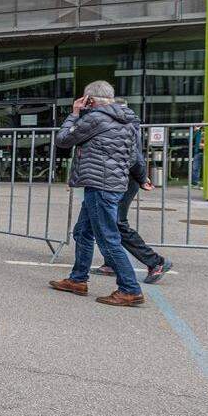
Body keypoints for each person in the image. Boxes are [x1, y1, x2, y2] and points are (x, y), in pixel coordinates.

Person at [49, 80, 144, 306]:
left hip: (100, 185)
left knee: (108, 238)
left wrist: (74, 114)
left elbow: (63, 140)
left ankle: (130, 289)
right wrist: (142, 177)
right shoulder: (128, 119)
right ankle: (78, 279)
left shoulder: (94, 118)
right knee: (82, 232)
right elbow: (133, 156)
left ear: (89, 100)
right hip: (112, 184)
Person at [93, 99, 173, 284]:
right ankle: (111, 261)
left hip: (123, 179)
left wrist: (142, 177)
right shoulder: (124, 122)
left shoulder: (124, 124)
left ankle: (155, 262)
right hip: (116, 178)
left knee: (116, 222)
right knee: (97, 221)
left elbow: (133, 156)